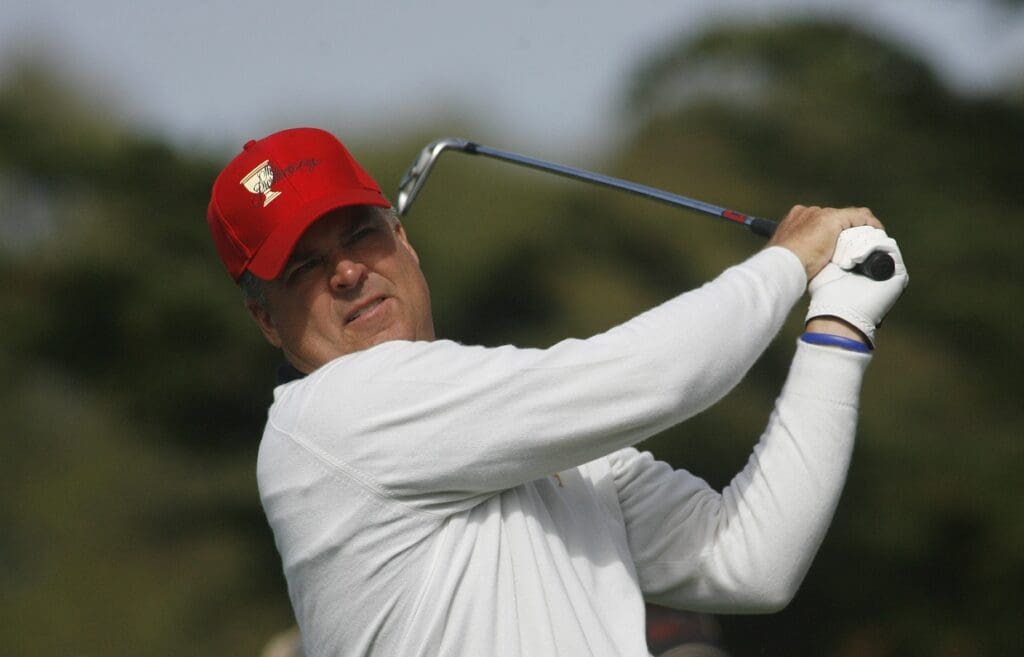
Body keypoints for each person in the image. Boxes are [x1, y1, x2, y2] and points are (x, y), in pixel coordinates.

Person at [206, 127, 908, 657]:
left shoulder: (514, 428)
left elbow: (750, 562)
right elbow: (654, 377)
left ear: (403, 239)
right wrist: (789, 260)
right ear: (266, 319)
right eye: (304, 266)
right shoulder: (330, 414)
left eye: (360, 234)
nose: (348, 273)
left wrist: (838, 329)